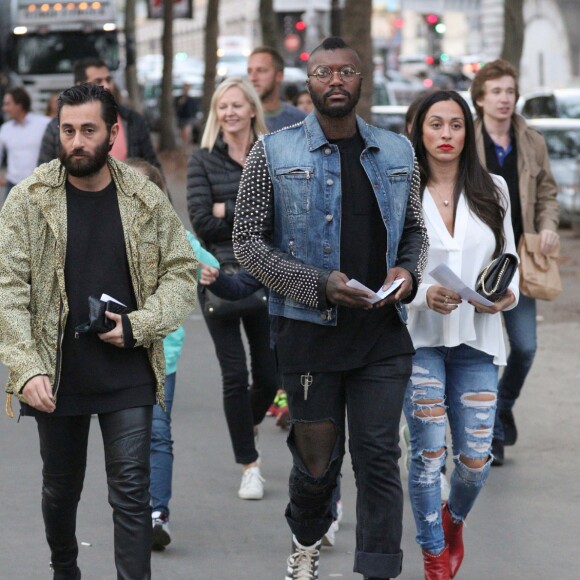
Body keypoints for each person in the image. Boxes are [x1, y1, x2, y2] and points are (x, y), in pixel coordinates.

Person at [233, 37, 428, 579]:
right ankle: (306, 537)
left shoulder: (397, 151)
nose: (336, 80)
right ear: (309, 82)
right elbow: (248, 241)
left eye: (346, 71)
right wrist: (319, 284)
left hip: (381, 335)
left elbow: (414, 229)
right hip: (307, 337)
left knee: (379, 458)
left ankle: (378, 569)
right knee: (318, 467)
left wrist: (408, 272)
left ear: (361, 80)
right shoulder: (273, 151)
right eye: (324, 72)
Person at [0, 83, 197, 579]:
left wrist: (140, 325)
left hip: (127, 368)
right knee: (60, 488)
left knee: (132, 489)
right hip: (56, 372)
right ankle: (65, 566)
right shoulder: (29, 199)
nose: (76, 142)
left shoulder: (142, 196)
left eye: (88, 130)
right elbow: (8, 290)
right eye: (68, 130)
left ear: (113, 133)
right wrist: (24, 370)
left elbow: (181, 271)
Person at [405, 90, 519, 579]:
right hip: (419, 339)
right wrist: (421, 294)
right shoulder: (403, 189)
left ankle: (452, 521)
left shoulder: (492, 188)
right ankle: (434, 558)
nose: (446, 134)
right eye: (436, 124)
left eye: (455, 125)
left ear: (467, 132)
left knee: (475, 460)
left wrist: (506, 296)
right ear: (420, 131)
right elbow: (388, 268)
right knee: (428, 452)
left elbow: (509, 259)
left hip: (478, 336)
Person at [187, 77, 277, 502]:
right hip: (217, 276)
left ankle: (247, 420)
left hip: (266, 272)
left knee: (270, 374)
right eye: (223, 106)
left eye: (238, 105)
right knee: (234, 375)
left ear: (252, 109)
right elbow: (202, 221)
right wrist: (247, 212)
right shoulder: (202, 159)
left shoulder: (271, 153)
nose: (230, 113)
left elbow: (279, 215)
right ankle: (250, 465)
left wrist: (230, 208)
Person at [125, 157, 219, 551]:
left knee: (158, 433)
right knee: (130, 437)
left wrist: (201, 266)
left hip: (165, 352)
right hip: (120, 350)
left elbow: (209, 265)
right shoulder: (107, 232)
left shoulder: (174, 235)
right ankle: (131, 509)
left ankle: (156, 513)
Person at [470, 59, 559, 465]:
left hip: (520, 260)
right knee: (485, 351)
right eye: (497, 92)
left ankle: (501, 406)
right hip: (478, 261)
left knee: (524, 347)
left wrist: (548, 226)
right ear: (481, 98)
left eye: (509, 91)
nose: (505, 99)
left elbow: (547, 194)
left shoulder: (531, 140)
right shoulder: (467, 139)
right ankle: (490, 431)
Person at [38, 57, 161, 171]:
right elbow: (44, 171)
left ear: (113, 132)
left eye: (108, 80)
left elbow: (152, 167)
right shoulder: (55, 128)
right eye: (98, 81)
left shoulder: (132, 120)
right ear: (79, 84)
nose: (106, 85)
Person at [0, 86, 50, 195]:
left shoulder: (44, 123)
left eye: (7, 104)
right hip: (13, 187)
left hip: (39, 186)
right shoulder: (5, 128)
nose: (4, 108)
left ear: (19, 105)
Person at [247, 46, 306, 132]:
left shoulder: (299, 121)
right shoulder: (240, 118)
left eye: (261, 70)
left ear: (279, 76)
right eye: (249, 71)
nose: (253, 78)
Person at [175, 82, 198, 147]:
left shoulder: (191, 99)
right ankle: (184, 147)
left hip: (189, 119)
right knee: (182, 135)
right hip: (181, 118)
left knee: (187, 133)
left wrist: (194, 117)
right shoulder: (179, 99)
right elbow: (176, 108)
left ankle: (187, 146)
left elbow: (194, 109)